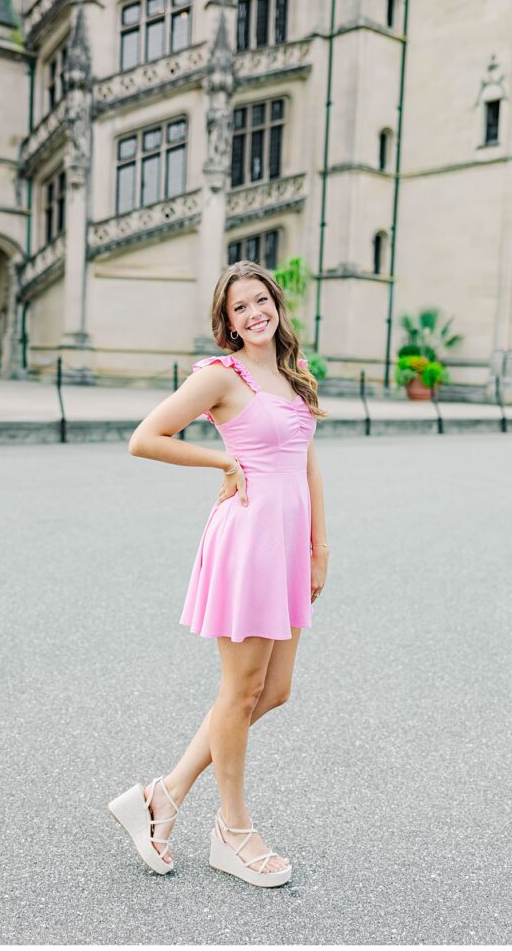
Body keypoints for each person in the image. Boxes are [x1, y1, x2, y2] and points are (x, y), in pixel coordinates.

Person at [108, 261, 329, 887]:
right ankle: (232, 832)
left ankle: (162, 795)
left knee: (273, 689)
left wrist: (320, 546)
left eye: (262, 300)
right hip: (249, 538)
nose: (255, 313)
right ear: (227, 323)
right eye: (241, 308)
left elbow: (308, 463)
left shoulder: (292, 376)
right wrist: (220, 462)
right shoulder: (219, 376)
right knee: (241, 690)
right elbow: (146, 437)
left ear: (276, 306)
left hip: (289, 542)